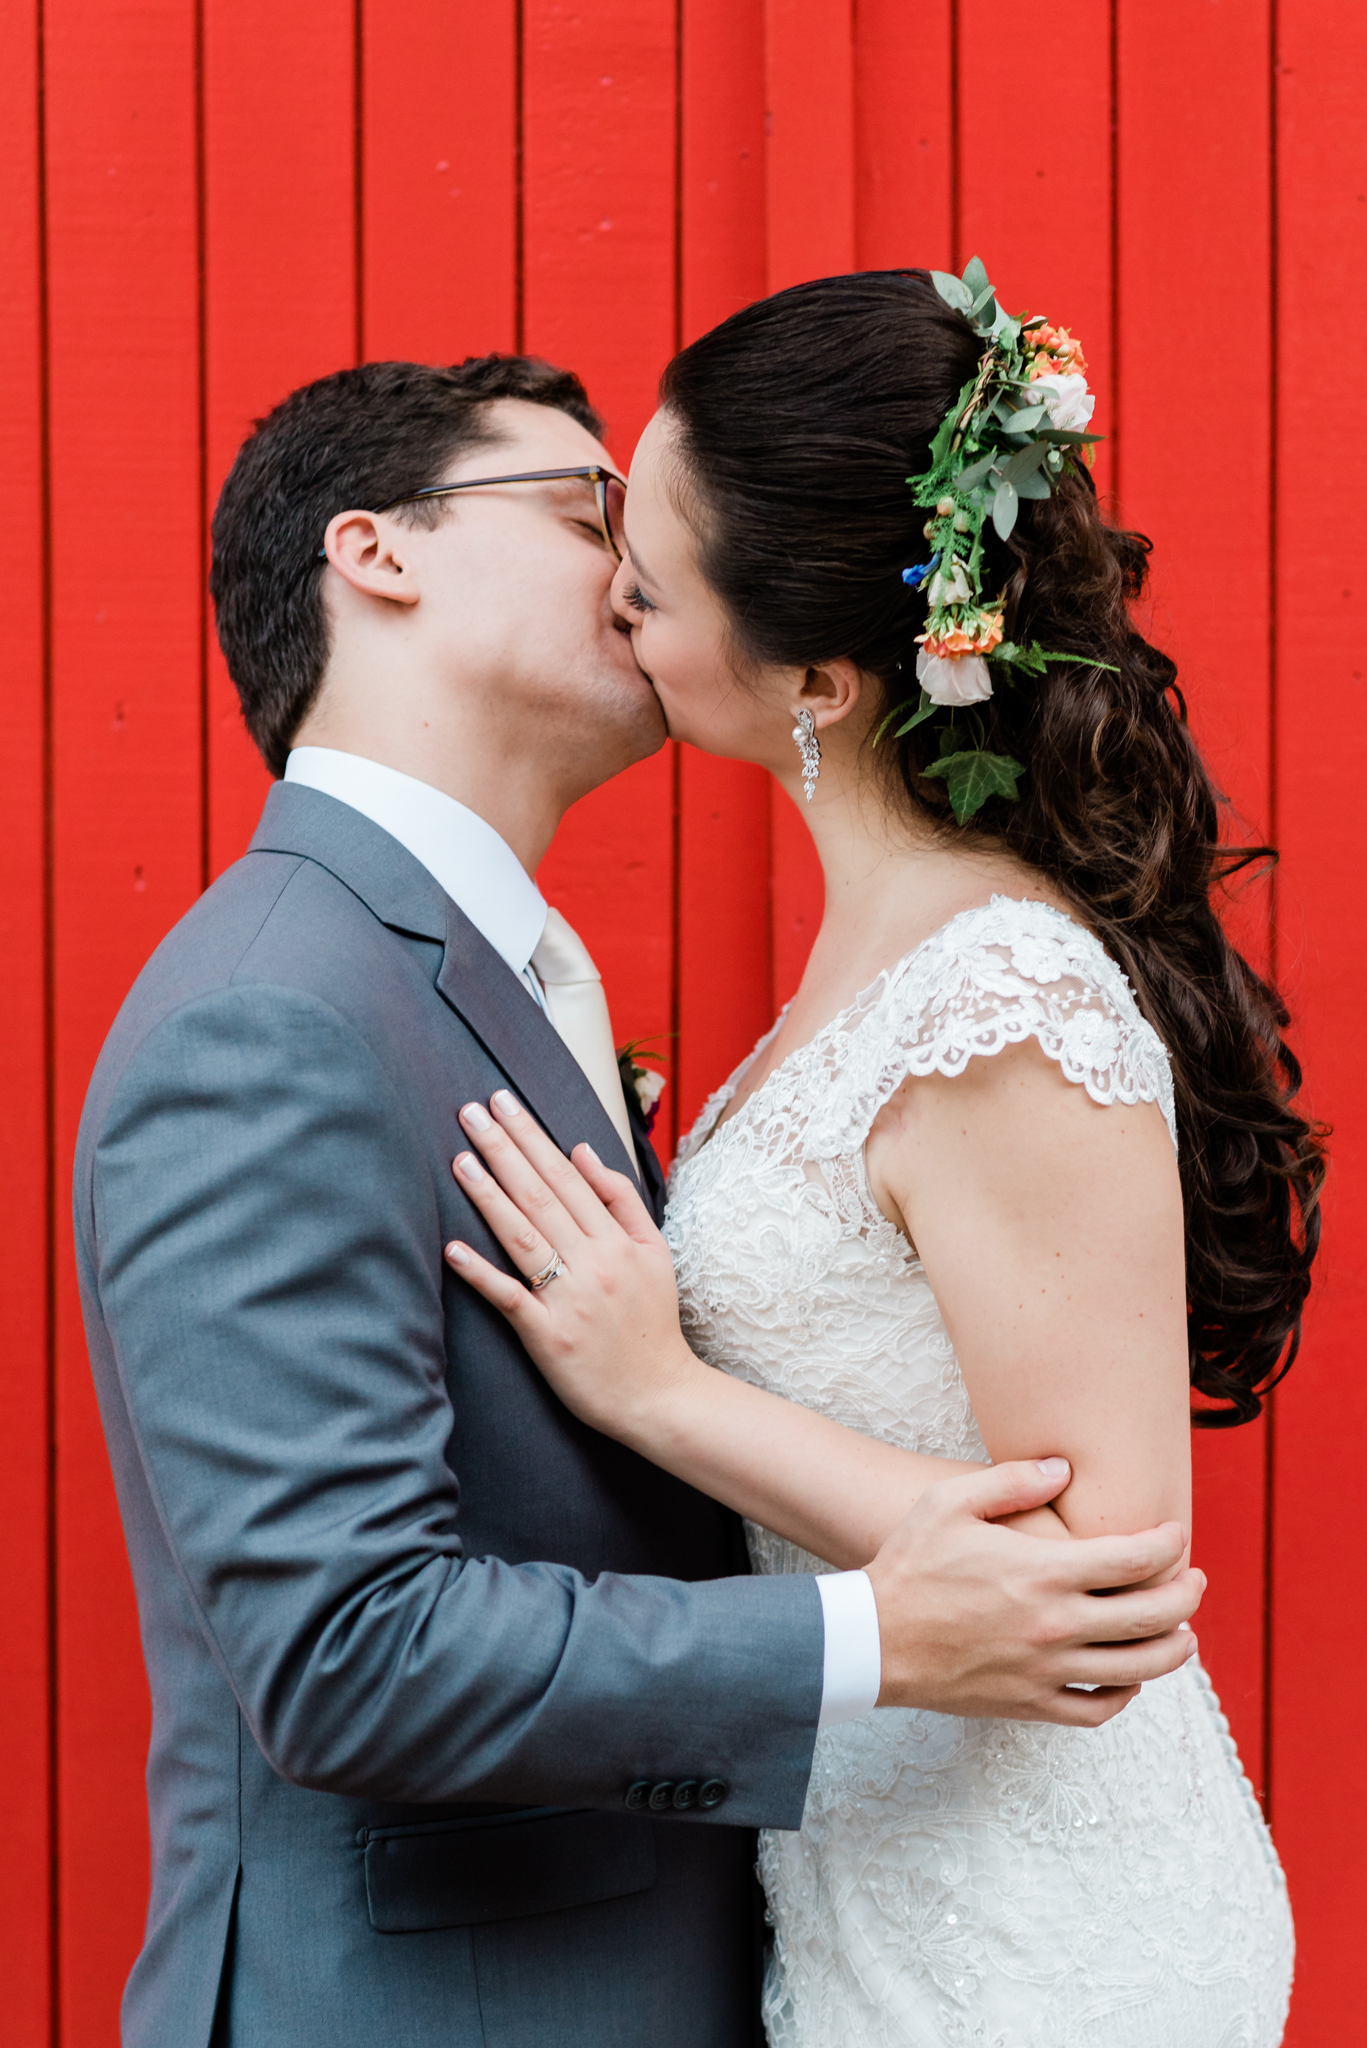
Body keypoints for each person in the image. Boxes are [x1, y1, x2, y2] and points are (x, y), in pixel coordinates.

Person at [73, 350, 1204, 2048]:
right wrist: (868, 1637)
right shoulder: (273, 1013)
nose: (636, 566)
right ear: (380, 553)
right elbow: (344, 1650)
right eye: (585, 504)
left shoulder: (506, 974)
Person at [440, 270, 1324, 2047]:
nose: (614, 612)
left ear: (823, 682)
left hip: (1044, 1941)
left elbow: (1113, 1576)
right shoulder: (879, 962)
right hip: (871, 1875)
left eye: (648, 586)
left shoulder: (997, 997)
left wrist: (660, 1390)